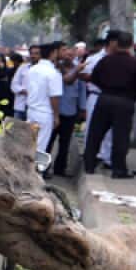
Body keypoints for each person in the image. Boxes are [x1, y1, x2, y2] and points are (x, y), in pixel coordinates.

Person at [84, 31, 136, 178]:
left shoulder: (106, 60)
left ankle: (89, 165)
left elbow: (94, 78)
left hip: (105, 98)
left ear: (116, 44)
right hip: (125, 101)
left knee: (95, 134)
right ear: (131, 45)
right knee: (121, 136)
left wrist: (106, 87)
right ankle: (118, 169)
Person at [25, 42, 64, 162]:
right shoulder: (53, 73)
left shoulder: (32, 69)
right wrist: (56, 115)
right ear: (53, 53)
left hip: (31, 111)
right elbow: (54, 97)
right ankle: (34, 174)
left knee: (29, 145)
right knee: (40, 148)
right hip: (44, 113)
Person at [51, 49, 87, 177]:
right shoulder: (56, 67)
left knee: (65, 143)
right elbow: (67, 80)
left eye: (72, 55)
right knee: (49, 141)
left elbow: (82, 90)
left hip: (70, 111)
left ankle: (60, 169)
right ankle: (43, 167)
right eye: (67, 54)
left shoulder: (78, 69)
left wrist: (83, 108)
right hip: (54, 110)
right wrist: (76, 71)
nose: (69, 56)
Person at [78, 35, 112, 166]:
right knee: (92, 125)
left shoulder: (118, 58)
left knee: (110, 129)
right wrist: (97, 78)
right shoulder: (94, 58)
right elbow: (82, 74)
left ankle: (106, 156)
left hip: (110, 95)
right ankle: (91, 154)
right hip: (96, 94)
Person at [10, 45, 39, 120]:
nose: (33, 56)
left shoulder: (43, 70)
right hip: (20, 107)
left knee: (31, 131)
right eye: (32, 53)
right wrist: (24, 91)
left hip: (35, 109)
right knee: (16, 130)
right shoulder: (23, 67)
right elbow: (14, 85)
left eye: (36, 53)